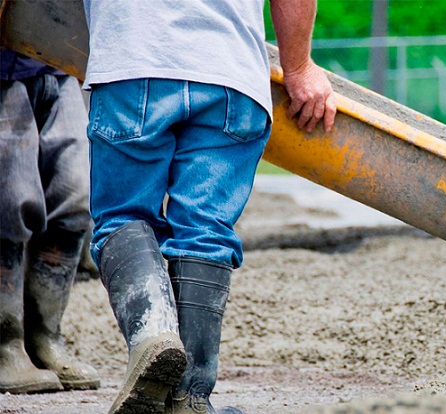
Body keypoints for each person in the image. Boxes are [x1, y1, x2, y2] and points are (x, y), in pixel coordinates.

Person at [81, 0, 336, 412]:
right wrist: (300, 68)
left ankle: (153, 336)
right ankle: (190, 398)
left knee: (123, 217)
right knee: (204, 232)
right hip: (230, 73)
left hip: (133, 61)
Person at [0, 48, 101, 393]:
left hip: (56, 62)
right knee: (9, 199)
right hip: (3, 69)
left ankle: (44, 339)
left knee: (76, 194)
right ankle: (5, 345)